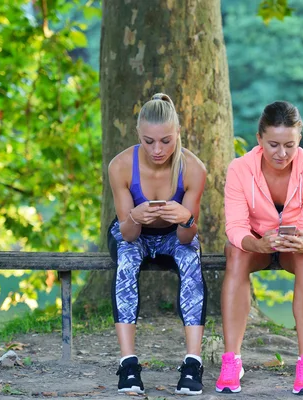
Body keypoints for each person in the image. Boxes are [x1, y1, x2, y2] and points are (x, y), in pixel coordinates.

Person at [216, 101, 303, 395]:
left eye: (289, 145)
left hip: (296, 242)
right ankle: (232, 359)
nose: (281, 153)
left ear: (299, 140)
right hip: (254, 241)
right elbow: (236, 227)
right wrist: (258, 243)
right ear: (259, 139)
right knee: (236, 255)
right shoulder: (240, 169)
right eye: (273, 144)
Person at [106, 93, 208, 395]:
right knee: (126, 262)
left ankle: (193, 363)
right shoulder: (121, 165)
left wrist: (186, 218)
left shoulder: (193, 168)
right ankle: (128, 364)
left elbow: (187, 237)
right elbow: (127, 235)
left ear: (178, 132)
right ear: (139, 135)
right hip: (133, 232)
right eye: (149, 141)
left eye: (166, 140)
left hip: (173, 235)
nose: (157, 149)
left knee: (191, 260)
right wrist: (136, 217)